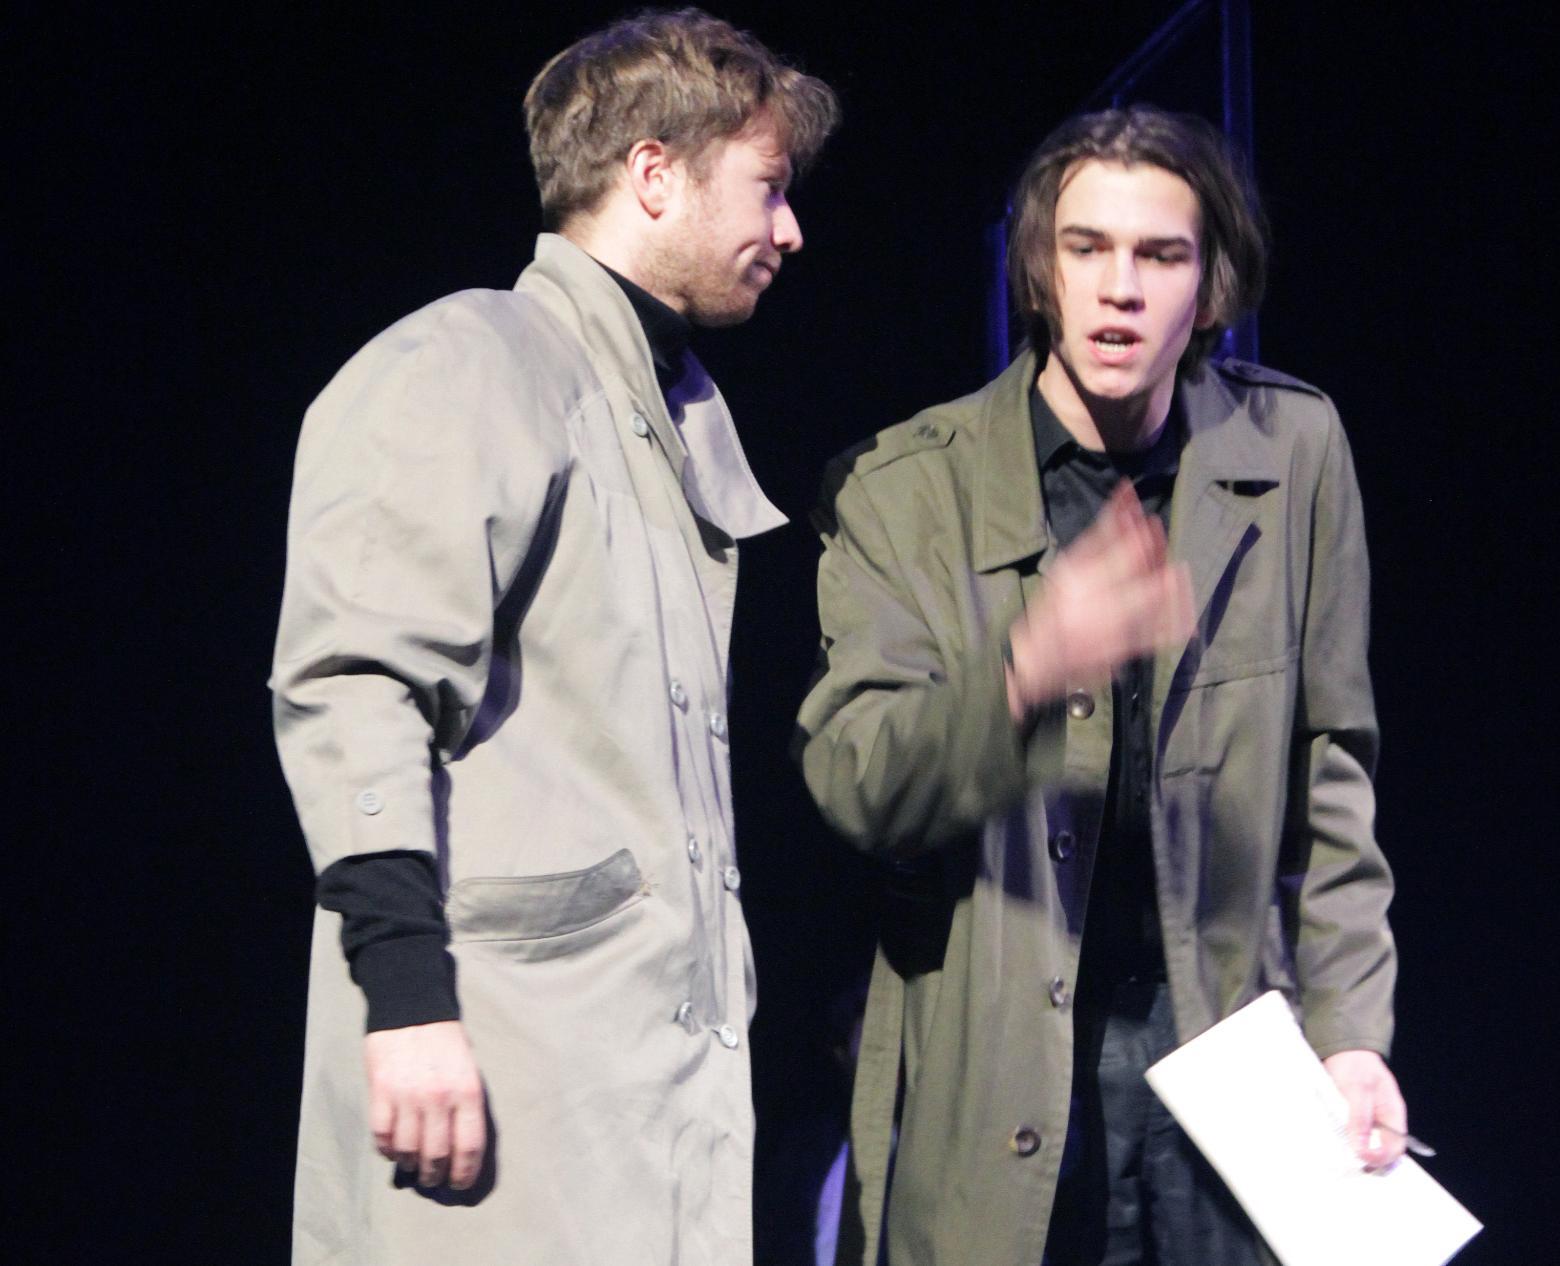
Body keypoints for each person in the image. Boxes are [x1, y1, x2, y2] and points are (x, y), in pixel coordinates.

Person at [270, 11, 837, 1263]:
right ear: (652, 173)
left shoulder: (663, 413)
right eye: (767, 186)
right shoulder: (473, 361)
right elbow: (355, 683)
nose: (790, 228)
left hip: (626, 1089)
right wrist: (404, 999)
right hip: (501, 1067)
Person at [797, 106, 1405, 1265]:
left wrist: (1350, 1035)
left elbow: (1331, 775)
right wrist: (1028, 664)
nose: (1117, 288)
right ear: (1041, 270)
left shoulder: (1291, 451)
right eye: (1086, 248)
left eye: (1158, 255)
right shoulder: (902, 489)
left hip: (1223, 1048)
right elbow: (857, 786)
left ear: (1210, 289)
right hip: (998, 1056)